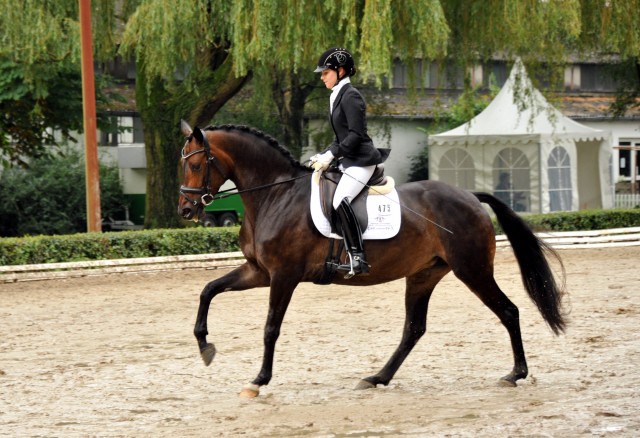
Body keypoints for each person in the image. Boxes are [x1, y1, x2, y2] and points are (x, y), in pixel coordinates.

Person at [310, 47, 390, 277]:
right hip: (349, 160)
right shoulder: (337, 95)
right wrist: (323, 154)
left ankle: (358, 256)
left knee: (339, 200)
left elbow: (355, 135)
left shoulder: (351, 96)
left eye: (325, 72)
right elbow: (339, 138)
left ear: (340, 70)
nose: (322, 76)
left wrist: (332, 156)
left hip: (362, 161)